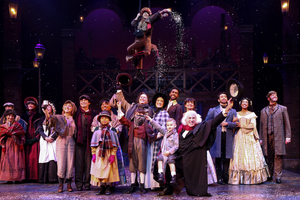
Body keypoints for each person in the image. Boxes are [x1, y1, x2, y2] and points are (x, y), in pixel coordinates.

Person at [172, 99, 234, 196]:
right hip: (186, 161)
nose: (191, 120)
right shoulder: (182, 131)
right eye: (189, 118)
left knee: (199, 180)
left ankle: (199, 191)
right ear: (185, 120)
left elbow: (214, 122)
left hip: (198, 159)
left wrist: (227, 109)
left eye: (193, 118)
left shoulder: (201, 127)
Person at [228, 97, 270, 184]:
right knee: (239, 156)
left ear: (248, 104)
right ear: (240, 104)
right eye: (243, 102)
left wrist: (241, 124)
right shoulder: (236, 113)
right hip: (239, 136)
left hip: (249, 137)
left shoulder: (252, 114)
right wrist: (234, 121)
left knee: (250, 156)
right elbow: (233, 124)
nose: (244, 104)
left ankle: (253, 178)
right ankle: (238, 178)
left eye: (246, 103)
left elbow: (252, 126)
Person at [117, 102, 156, 193]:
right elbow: (121, 119)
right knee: (132, 166)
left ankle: (142, 185)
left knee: (142, 166)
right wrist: (119, 107)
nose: (139, 115)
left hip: (142, 146)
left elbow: (152, 135)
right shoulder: (131, 124)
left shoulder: (146, 125)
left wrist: (161, 134)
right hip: (132, 146)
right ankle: (133, 185)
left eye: (141, 114)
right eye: (137, 114)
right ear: (134, 114)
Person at [179, 97, 217, 185]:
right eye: (188, 103)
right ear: (185, 105)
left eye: (192, 103)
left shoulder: (197, 116)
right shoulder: (182, 115)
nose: (190, 104)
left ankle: (204, 180)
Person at [126, 7, 171, 77]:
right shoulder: (138, 21)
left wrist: (162, 11)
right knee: (138, 54)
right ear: (142, 14)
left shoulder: (149, 19)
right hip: (138, 40)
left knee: (148, 51)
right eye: (144, 13)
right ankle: (137, 67)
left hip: (146, 39)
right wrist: (137, 17)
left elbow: (155, 16)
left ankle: (133, 58)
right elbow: (132, 24)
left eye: (147, 14)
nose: (145, 14)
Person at [91, 98, 126, 187]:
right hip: (100, 146)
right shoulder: (97, 117)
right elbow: (93, 128)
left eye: (106, 104)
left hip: (112, 144)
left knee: (112, 166)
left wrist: (112, 130)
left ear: (110, 106)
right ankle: (102, 185)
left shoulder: (115, 117)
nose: (104, 106)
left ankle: (111, 185)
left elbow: (119, 128)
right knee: (100, 166)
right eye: (102, 104)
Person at [44, 100, 77, 193]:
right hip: (61, 140)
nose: (67, 107)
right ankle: (61, 184)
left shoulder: (74, 118)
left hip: (71, 141)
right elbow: (50, 119)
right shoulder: (59, 117)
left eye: (69, 106)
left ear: (73, 108)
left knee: (70, 163)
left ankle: (69, 183)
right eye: (65, 105)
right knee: (61, 163)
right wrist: (47, 111)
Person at [259, 91, 291, 184]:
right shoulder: (263, 110)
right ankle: (269, 175)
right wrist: (261, 138)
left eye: (276, 95)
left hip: (278, 135)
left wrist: (288, 136)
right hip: (266, 136)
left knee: (278, 155)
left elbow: (287, 124)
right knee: (268, 156)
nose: (275, 96)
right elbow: (261, 126)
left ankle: (278, 176)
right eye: (272, 95)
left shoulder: (282, 109)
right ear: (268, 98)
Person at [205, 92, 237, 184]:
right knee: (218, 157)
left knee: (227, 157)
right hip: (217, 135)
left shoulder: (233, 111)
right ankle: (219, 178)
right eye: (221, 96)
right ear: (218, 100)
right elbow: (207, 122)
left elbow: (237, 123)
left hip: (228, 135)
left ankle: (226, 178)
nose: (223, 98)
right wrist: (216, 123)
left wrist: (228, 124)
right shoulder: (213, 110)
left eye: (225, 96)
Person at [90, 110, 121, 195]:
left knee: (109, 170)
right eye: (102, 118)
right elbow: (93, 144)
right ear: (99, 120)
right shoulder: (97, 131)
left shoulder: (112, 131)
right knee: (99, 169)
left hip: (109, 152)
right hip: (99, 153)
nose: (104, 120)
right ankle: (101, 187)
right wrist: (93, 154)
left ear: (109, 120)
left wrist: (113, 155)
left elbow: (115, 145)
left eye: (106, 118)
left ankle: (108, 187)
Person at [145, 92, 170, 190]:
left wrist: (156, 137)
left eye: (161, 101)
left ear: (164, 103)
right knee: (151, 162)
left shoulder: (164, 113)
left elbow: (164, 130)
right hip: (152, 142)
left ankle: (159, 184)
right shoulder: (154, 113)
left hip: (159, 142)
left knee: (158, 162)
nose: (159, 102)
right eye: (158, 101)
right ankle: (152, 184)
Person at [146, 117, 178, 188]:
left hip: (171, 153)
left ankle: (173, 176)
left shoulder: (175, 134)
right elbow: (159, 127)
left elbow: (176, 146)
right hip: (164, 153)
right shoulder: (165, 133)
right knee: (159, 158)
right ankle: (160, 174)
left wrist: (169, 152)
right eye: (168, 125)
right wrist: (151, 120)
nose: (169, 127)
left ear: (174, 126)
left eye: (171, 125)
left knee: (171, 161)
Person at [74, 94, 97, 191]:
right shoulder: (76, 113)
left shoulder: (94, 114)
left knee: (88, 163)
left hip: (90, 142)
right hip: (79, 142)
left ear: (89, 102)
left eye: (85, 100)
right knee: (79, 163)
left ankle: (87, 183)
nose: (83, 102)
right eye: (81, 100)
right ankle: (79, 183)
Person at [0, 109, 26, 182]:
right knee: (8, 160)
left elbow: (22, 134)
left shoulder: (18, 125)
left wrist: (21, 143)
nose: (10, 117)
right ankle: (8, 178)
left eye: (12, 116)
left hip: (16, 144)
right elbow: (1, 135)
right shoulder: (3, 126)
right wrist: (2, 144)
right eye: (9, 116)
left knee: (16, 160)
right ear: (6, 117)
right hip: (7, 144)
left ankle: (17, 178)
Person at [21, 97, 43, 181]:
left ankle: (35, 177)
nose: (30, 105)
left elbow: (41, 128)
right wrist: (24, 139)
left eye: (32, 104)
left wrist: (36, 138)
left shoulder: (39, 116)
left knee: (34, 157)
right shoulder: (23, 117)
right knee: (26, 158)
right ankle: (27, 177)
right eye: (29, 104)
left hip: (35, 138)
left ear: (35, 106)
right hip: (26, 139)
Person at [36, 101, 58, 183]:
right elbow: (40, 130)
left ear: (52, 108)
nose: (48, 109)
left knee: (53, 156)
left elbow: (58, 129)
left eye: (49, 107)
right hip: (45, 140)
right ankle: (43, 179)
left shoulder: (56, 117)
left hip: (53, 140)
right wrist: (45, 137)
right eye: (46, 108)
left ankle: (53, 178)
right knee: (44, 156)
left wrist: (52, 137)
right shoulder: (42, 119)